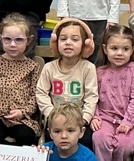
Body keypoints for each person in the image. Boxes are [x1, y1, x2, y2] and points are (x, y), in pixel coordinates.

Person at [91, 25, 134, 161]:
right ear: (105, 49)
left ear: (132, 50)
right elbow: (92, 97)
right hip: (104, 117)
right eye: (114, 48)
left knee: (125, 144)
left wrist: (128, 121)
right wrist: (95, 116)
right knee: (99, 138)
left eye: (125, 49)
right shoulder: (99, 72)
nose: (119, 53)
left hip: (128, 121)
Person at [0, 13, 43, 146]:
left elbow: (34, 95)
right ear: (1, 39)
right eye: (7, 39)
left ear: (28, 40)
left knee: (26, 135)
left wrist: (22, 112)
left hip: (21, 119)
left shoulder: (32, 66)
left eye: (19, 40)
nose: (13, 44)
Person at [35, 17, 98, 149]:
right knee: (50, 144)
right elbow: (41, 93)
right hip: (55, 120)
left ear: (85, 44)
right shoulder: (49, 68)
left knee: (87, 141)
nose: (68, 43)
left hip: (78, 122)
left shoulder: (88, 68)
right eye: (63, 39)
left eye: (75, 39)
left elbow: (92, 96)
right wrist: (51, 114)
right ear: (55, 42)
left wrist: (84, 119)